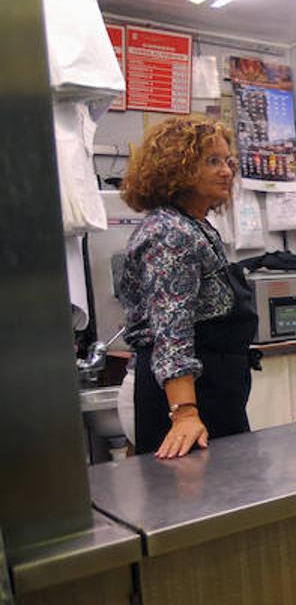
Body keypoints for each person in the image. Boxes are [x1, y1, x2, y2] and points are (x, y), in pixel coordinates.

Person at [118, 116, 257, 460]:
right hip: (178, 401)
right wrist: (184, 414)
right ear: (175, 168)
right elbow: (172, 332)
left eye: (228, 161)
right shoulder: (170, 234)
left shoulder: (197, 226)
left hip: (209, 392)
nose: (226, 171)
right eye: (212, 161)